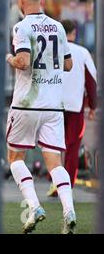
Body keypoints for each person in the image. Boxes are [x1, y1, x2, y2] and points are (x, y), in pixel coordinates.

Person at [5, 0, 75, 234]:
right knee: (55, 162)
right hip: (53, 106)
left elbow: (23, 62)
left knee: (15, 158)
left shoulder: (22, 27)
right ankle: (68, 210)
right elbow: (68, 65)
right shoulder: (57, 27)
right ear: (42, 0)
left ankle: (34, 206)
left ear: (22, 1)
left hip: (26, 104)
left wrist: (10, 58)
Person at [46, 19, 96, 197]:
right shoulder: (83, 53)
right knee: (72, 146)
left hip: (53, 104)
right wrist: (93, 106)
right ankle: (67, 185)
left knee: (53, 145)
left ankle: (54, 181)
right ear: (74, 33)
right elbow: (91, 82)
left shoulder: (52, 50)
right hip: (75, 106)